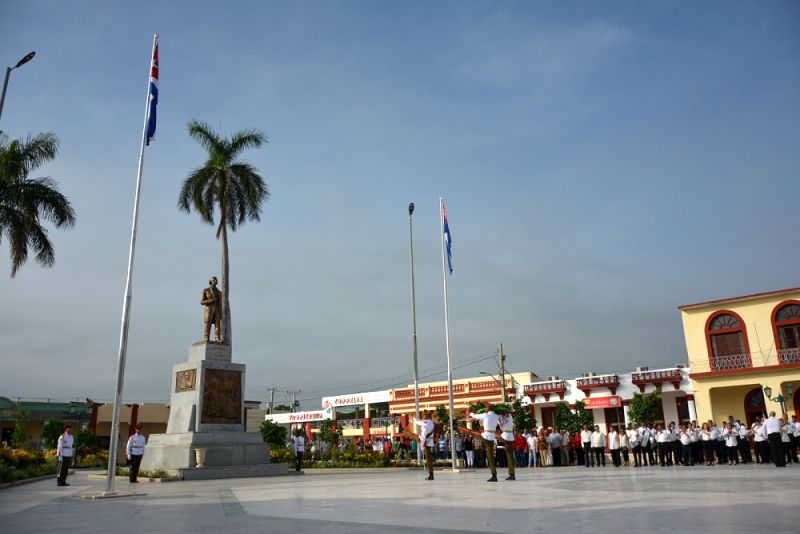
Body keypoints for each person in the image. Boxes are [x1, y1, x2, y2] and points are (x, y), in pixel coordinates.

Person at [470, 404, 500, 481]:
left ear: (488, 409)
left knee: (473, 433)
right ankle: (494, 474)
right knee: (490, 455)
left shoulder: (486, 415)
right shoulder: (496, 416)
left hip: (486, 436)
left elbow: (476, 416)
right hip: (492, 437)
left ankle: (494, 475)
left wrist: (471, 413)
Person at [414, 411, 436, 480]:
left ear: (428, 416)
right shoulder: (429, 422)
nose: (424, 416)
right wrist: (413, 420)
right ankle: (431, 474)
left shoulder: (426, 423)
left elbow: (424, 434)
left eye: (425, 415)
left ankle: (431, 475)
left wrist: (422, 444)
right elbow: (419, 422)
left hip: (426, 442)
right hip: (428, 441)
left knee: (428, 459)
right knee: (428, 458)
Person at [200, 276, 222, 342]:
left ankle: (217, 338)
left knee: (217, 324)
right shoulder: (206, 290)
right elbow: (202, 302)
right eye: (214, 280)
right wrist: (211, 300)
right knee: (207, 324)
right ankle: (206, 338)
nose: (215, 281)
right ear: (211, 282)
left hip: (217, 310)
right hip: (209, 310)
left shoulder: (219, 292)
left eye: (216, 280)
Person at [497, 406, 515, 480]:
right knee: (509, 456)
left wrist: (498, 419)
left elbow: (501, 426)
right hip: (510, 436)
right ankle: (512, 474)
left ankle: (512, 474)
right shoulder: (510, 416)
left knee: (509, 456)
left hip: (506, 436)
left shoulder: (505, 417)